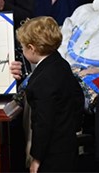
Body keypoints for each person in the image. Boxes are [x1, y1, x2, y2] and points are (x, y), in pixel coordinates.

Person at [16, 16, 84, 173]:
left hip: (51, 155)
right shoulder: (61, 64)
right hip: (68, 145)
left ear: (32, 48)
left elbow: (43, 124)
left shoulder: (41, 80)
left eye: (23, 47)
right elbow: (78, 97)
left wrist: (36, 159)